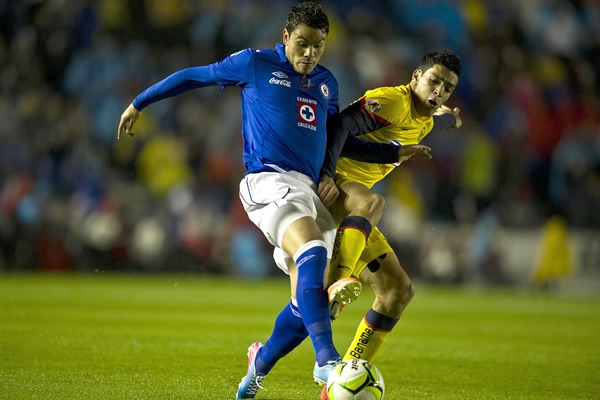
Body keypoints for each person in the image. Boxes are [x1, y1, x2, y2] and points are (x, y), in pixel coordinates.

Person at [117, 2, 355, 399]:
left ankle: (258, 366)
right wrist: (140, 101)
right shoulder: (255, 63)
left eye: (318, 46)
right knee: (312, 249)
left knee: (305, 303)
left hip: (310, 191)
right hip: (268, 181)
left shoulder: (327, 83)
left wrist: (382, 156)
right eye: (302, 43)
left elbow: (336, 138)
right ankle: (327, 360)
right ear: (285, 38)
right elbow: (196, 76)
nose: (310, 53)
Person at [318, 50, 462, 399]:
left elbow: (439, 120)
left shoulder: (427, 117)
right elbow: (339, 125)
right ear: (416, 77)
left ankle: (340, 379)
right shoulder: (392, 101)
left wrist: (452, 120)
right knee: (372, 202)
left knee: (398, 292)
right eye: (434, 80)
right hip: (334, 183)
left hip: (353, 209)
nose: (439, 90)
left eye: (448, 87)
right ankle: (338, 281)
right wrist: (325, 175)